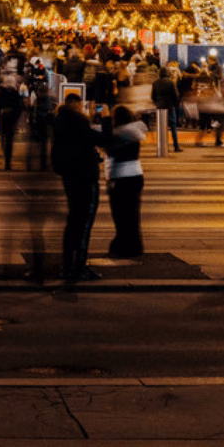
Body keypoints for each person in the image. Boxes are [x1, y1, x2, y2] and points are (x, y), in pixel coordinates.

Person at [50, 91, 102, 284]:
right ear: (77, 105)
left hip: (69, 176)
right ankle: (78, 267)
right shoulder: (78, 121)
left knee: (73, 222)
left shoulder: (60, 120)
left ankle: (68, 265)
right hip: (85, 176)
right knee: (84, 223)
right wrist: (104, 119)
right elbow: (102, 139)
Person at [97, 104, 147, 258]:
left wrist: (104, 119)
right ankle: (132, 246)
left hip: (122, 177)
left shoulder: (122, 133)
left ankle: (125, 246)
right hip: (135, 175)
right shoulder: (132, 132)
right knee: (131, 215)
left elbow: (107, 143)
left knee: (121, 215)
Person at [150, 65, 181, 152]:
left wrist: (157, 103)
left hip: (160, 107)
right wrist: (175, 104)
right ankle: (176, 146)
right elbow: (176, 96)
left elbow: (153, 96)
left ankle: (163, 146)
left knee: (162, 128)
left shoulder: (155, 83)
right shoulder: (171, 83)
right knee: (173, 127)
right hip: (170, 106)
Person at [0, 75, 22, 171]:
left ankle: (5, 154)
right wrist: (16, 117)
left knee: (4, 137)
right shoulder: (16, 93)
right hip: (12, 119)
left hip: (3, 119)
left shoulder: (1, 93)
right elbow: (19, 106)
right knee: (9, 140)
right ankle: (8, 161)